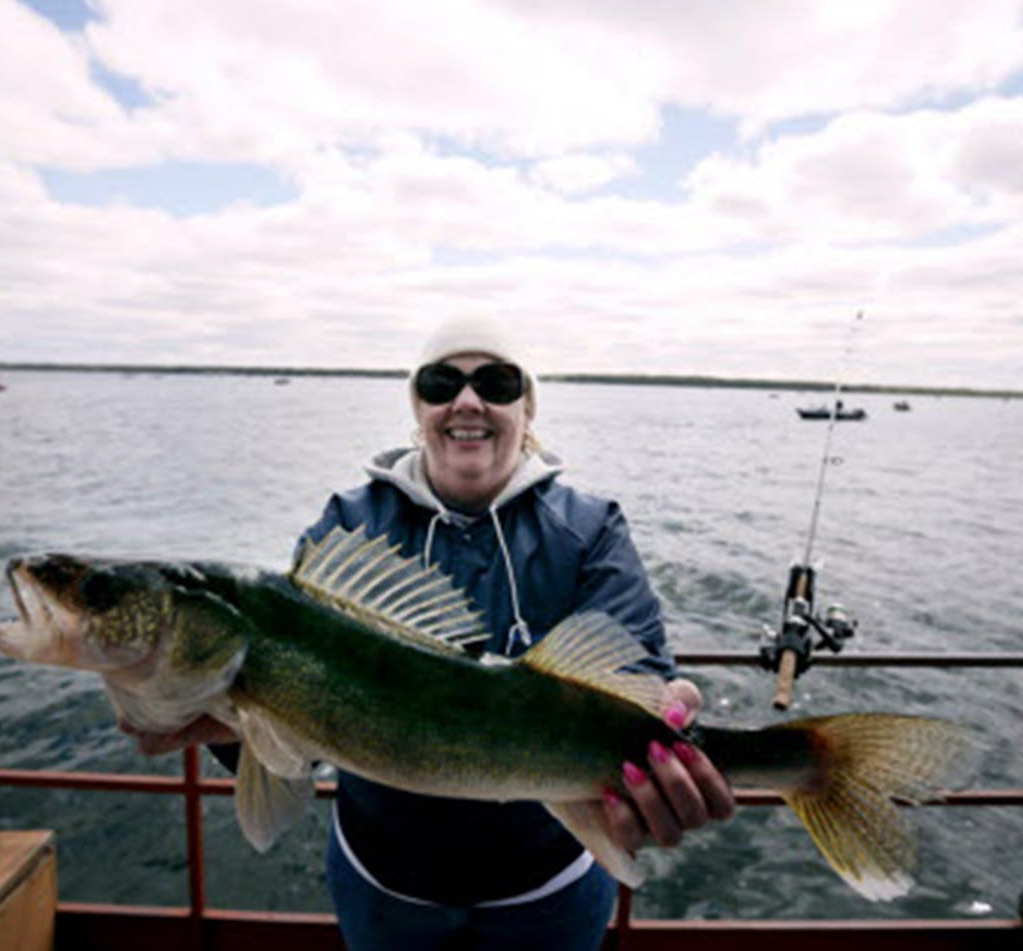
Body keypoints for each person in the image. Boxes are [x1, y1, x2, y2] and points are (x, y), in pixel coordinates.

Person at [124, 319, 734, 949]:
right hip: (385, 885)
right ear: (418, 407)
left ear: (526, 407)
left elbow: (641, 680)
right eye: (442, 381)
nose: (467, 401)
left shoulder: (591, 528)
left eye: (496, 382)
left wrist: (665, 720)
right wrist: (232, 721)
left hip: (550, 888)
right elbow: (298, 728)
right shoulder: (349, 527)